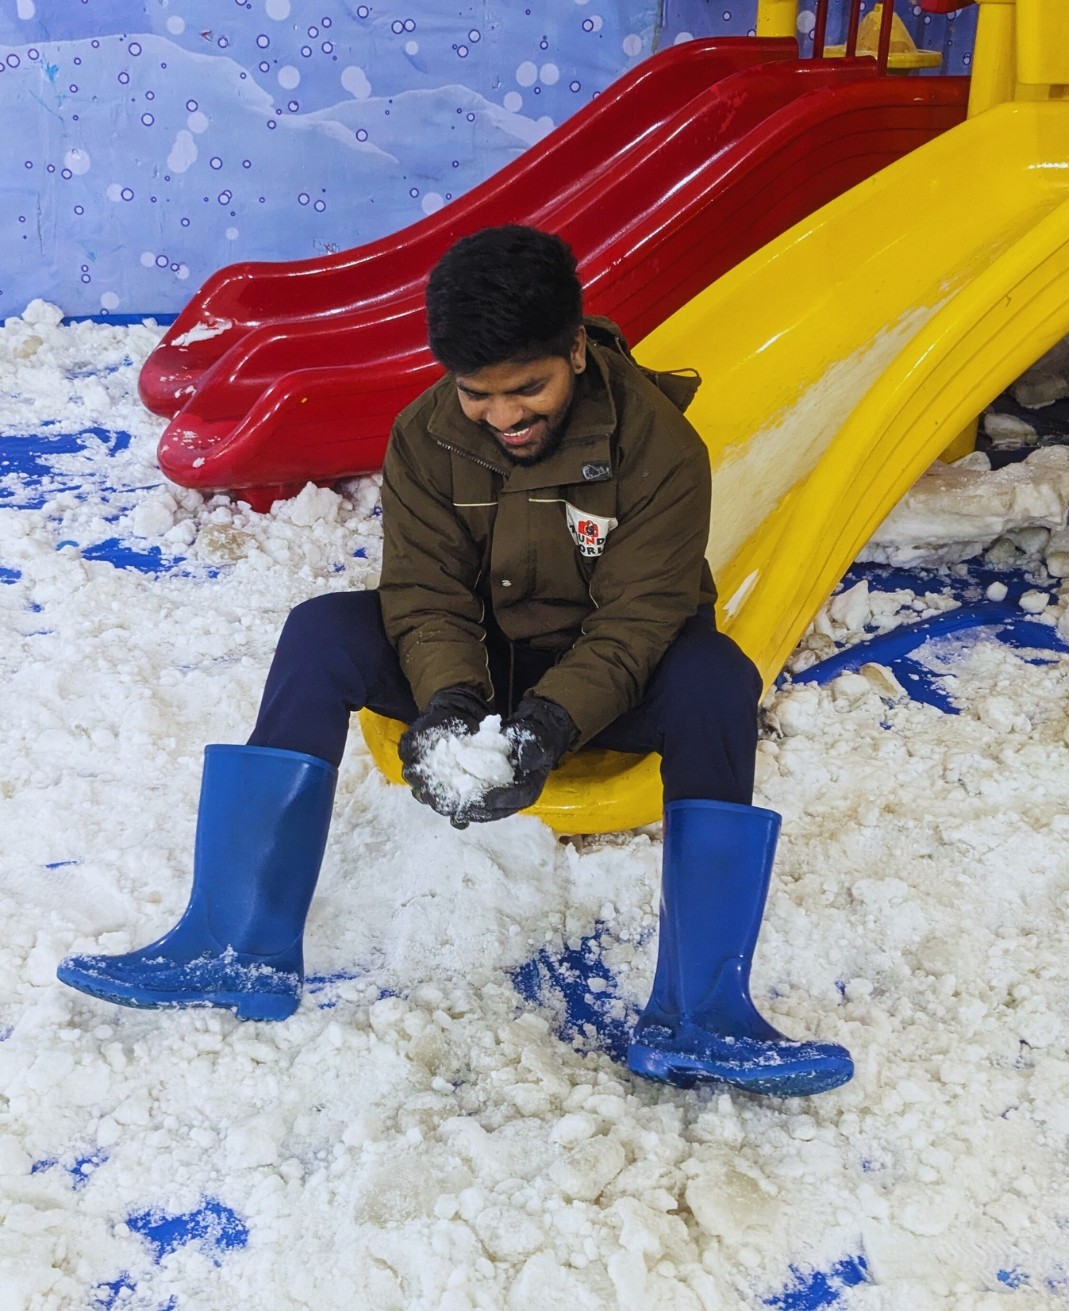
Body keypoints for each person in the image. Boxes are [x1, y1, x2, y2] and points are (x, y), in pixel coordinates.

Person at [58, 226, 852, 1097]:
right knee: (324, 632)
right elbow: (425, 595)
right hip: (478, 664)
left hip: (614, 677)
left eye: (529, 389)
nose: (506, 416)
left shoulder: (658, 447)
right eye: (480, 394)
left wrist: (547, 728)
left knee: (717, 678)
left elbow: (640, 622)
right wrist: (449, 709)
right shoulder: (426, 436)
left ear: (576, 349)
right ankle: (236, 944)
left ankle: (701, 1011)